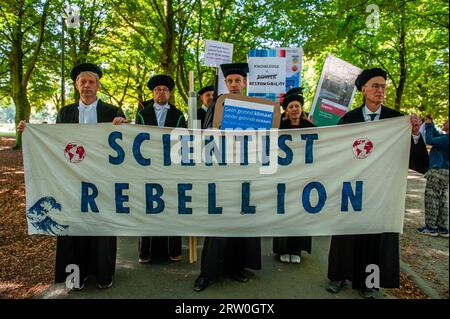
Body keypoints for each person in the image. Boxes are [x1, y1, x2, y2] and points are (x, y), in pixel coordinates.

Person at [18, 62, 127, 290]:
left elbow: (124, 144)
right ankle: (76, 276)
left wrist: (123, 127)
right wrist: (30, 132)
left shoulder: (112, 112)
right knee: (74, 226)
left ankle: (103, 274)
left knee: (102, 225)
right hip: (71, 180)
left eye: (91, 82)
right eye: (82, 82)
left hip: (102, 180)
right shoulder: (65, 112)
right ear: (77, 85)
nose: (87, 85)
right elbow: (55, 142)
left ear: (98, 86)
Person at [326, 67, 429, 299]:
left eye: (383, 86)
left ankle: (370, 282)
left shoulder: (396, 120)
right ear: (363, 89)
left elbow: (421, 164)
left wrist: (414, 134)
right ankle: (338, 276)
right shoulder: (348, 120)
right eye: (375, 86)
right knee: (346, 234)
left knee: (376, 237)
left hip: (382, 191)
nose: (380, 90)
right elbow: (333, 153)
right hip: (352, 189)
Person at [194, 63, 261, 292]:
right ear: (226, 83)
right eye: (230, 81)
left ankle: (235, 267)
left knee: (240, 220)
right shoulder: (217, 104)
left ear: (245, 83)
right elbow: (206, 136)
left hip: (245, 170)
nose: (234, 84)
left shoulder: (256, 108)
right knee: (218, 221)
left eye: (238, 81)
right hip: (221, 170)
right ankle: (208, 272)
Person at [135, 74, 187, 263]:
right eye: (157, 89)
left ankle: (173, 250)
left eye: (164, 90)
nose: (161, 92)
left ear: (170, 93)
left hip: (171, 167)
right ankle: (145, 252)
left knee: (171, 205)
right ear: (153, 92)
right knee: (148, 205)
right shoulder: (142, 113)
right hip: (147, 165)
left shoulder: (178, 115)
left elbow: (183, 141)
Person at [274, 87, 313, 264]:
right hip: (284, 177)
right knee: (284, 210)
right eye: (291, 107)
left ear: (301, 108)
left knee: (300, 212)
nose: (295, 109)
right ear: (286, 110)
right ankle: (283, 249)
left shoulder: (311, 128)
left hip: (304, 177)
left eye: (297, 106)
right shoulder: (279, 128)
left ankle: (296, 249)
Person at [417, 118, 449, 237]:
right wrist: (431, 124)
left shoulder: (446, 139)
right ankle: (443, 227)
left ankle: (431, 227)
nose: (445, 122)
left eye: (447, 121)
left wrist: (429, 126)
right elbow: (436, 135)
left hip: (437, 171)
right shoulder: (445, 138)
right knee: (443, 199)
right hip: (446, 171)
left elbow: (429, 140)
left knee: (432, 199)